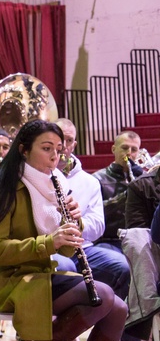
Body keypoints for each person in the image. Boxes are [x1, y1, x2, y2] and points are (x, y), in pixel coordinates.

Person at [0, 119, 127, 341]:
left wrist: (73, 227)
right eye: (46, 149)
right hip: (9, 282)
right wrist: (50, 241)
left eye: (59, 150)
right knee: (101, 293)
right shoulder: (3, 189)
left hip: (38, 275)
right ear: (23, 150)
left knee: (118, 308)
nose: (54, 157)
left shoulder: (52, 186)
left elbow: (62, 251)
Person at [54, 118, 130, 301]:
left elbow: (97, 227)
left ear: (75, 144)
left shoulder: (89, 182)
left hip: (83, 248)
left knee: (122, 267)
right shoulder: (39, 175)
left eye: (69, 140)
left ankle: (114, 322)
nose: (64, 145)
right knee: (66, 268)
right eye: (60, 139)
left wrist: (78, 223)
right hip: (50, 248)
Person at [93, 130, 143, 245]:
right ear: (113, 149)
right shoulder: (97, 179)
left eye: (134, 150)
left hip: (137, 240)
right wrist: (124, 196)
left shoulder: (141, 178)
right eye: (124, 148)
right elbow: (96, 213)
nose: (129, 153)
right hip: (109, 240)